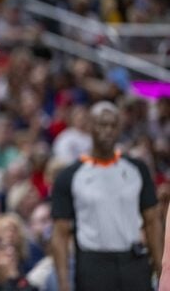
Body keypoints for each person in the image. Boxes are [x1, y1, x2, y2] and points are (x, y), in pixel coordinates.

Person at [51, 101, 162, 291]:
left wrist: (162, 269)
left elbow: (152, 221)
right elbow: (60, 234)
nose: (108, 130)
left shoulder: (137, 169)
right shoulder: (69, 175)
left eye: (113, 125)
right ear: (89, 126)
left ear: (120, 128)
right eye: (102, 124)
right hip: (93, 264)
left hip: (133, 260)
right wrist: (63, 283)